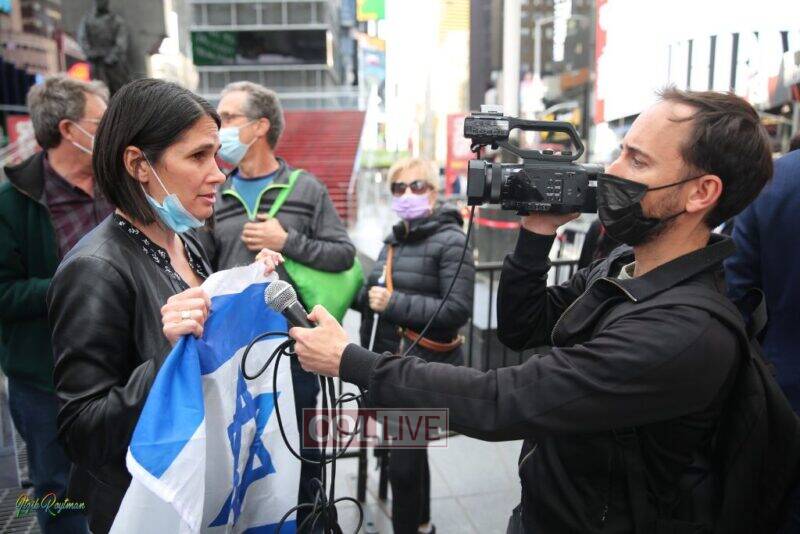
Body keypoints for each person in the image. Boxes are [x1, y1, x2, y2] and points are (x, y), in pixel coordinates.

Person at [287, 88, 775, 533]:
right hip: (548, 508)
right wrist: (538, 231)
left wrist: (352, 361)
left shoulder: (684, 333)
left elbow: (505, 400)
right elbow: (524, 326)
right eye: (621, 151)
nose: (612, 170)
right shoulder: (623, 266)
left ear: (700, 192)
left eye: (637, 161)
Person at [46, 78, 229, 533]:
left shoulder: (186, 241)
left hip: (198, 490)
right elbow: (82, 431)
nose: (219, 173)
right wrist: (168, 357)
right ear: (138, 164)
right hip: (142, 508)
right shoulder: (94, 269)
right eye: (198, 156)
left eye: (216, 155)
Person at [200, 80, 356, 527]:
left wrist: (287, 241)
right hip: (233, 353)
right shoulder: (215, 190)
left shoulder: (306, 188)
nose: (221, 126)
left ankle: (308, 521)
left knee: (302, 453)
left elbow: (343, 255)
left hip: (295, 351)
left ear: (261, 126)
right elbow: (203, 266)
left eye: (229, 117)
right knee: (241, 456)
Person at [0, 75, 112, 533]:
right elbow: (4, 294)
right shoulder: (13, 204)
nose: (110, 131)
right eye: (100, 123)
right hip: (46, 382)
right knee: (60, 494)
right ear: (68, 129)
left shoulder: (119, 185)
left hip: (121, 371)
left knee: (122, 481)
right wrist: (72, 283)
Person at [357, 157, 474, 534]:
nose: (407, 194)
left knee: (404, 466)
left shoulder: (452, 240)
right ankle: (422, 524)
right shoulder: (392, 241)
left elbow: (456, 309)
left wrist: (393, 303)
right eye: (399, 188)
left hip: (425, 369)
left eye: (417, 186)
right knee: (411, 451)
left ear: (433, 193)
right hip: (392, 363)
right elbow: (371, 295)